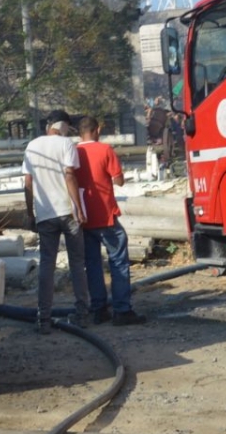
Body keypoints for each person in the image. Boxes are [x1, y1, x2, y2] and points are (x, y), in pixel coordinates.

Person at [23, 109, 91, 334]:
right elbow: (70, 175)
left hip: (45, 215)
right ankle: (82, 315)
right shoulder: (66, 144)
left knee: (47, 265)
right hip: (68, 212)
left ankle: (44, 318)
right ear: (65, 127)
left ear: (49, 126)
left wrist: (30, 213)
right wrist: (78, 208)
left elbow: (28, 182)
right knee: (77, 264)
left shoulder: (32, 146)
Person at [75, 117, 146, 327]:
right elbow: (119, 180)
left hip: (83, 216)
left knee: (93, 264)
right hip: (105, 214)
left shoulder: (73, 152)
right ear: (97, 130)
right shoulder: (105, 150)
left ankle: (99, 309)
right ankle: (122, 310)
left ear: (80, 133)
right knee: (118, 261)